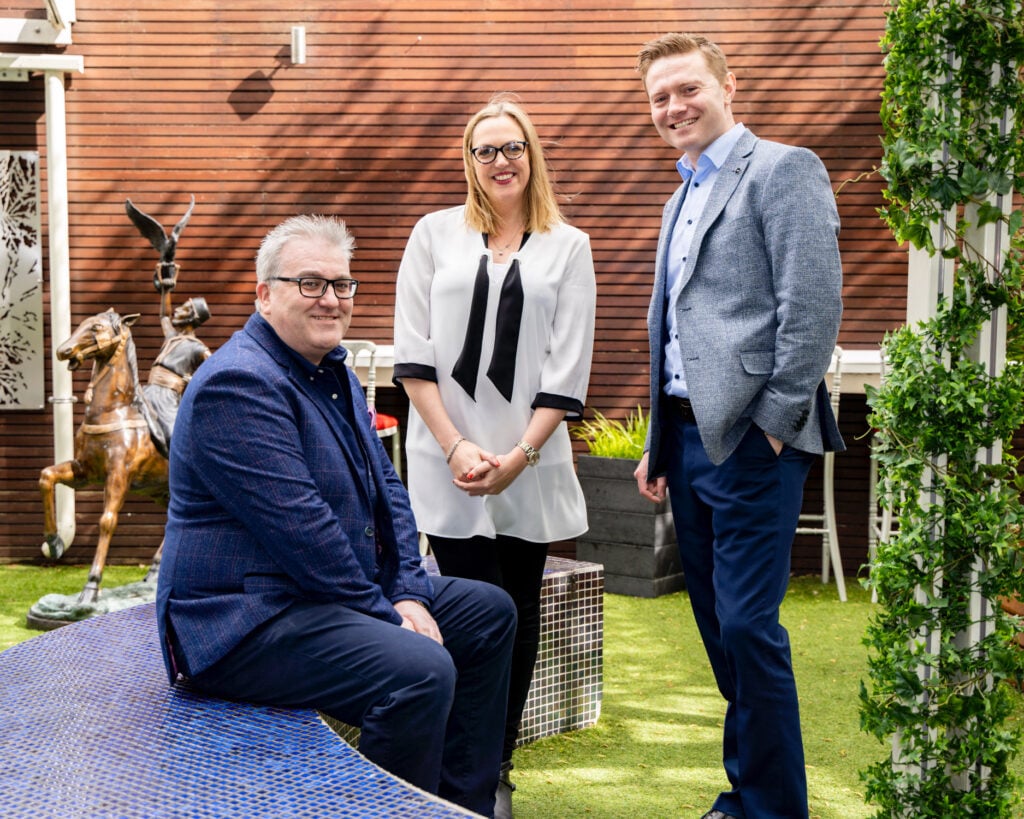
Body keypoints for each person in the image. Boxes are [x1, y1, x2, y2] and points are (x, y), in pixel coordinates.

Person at [155, 214, 517, 818]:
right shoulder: (238, 384)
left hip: (308, 595)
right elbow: (303, 531)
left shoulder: (331, 372)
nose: (331, 299)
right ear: (264, 294)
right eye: (311, 284)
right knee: (418, 669)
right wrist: (388, 612)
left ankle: (461, 806)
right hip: (240, 621)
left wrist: (408, 592)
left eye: (342, 285)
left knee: (486, 612)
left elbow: (389, 495)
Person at [631, 34, 844, 819]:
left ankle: (773, 809)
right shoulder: (678, 196)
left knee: (750, 627)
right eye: (659, 98)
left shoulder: (784, 170)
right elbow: (670, 327)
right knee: (722, 630)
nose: (674, 108)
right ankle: (748, 793)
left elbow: (813, 306)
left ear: (728, 86)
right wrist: (658, 442)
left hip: (754, 440)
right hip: (686, 442)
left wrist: (778, 426)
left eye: (688, 89)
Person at [393, 94, 596, 818]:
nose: (501, 160)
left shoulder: (568, 245)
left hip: (529, 465)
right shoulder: (433, 235)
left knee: (518, 611)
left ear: (532, 155)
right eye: (486, 150)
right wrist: (457, 446)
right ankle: (457, 764)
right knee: (465, 610)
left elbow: (566, 369)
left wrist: (517, 455)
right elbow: (412, 358)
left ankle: (496, 766)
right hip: (447, 457)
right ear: (469, 162)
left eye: (513, 147)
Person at [143, 296, 212, 458]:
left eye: (184, 308)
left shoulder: (197, 348)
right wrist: (166, 291)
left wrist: (194, 381)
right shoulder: (171, 337)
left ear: (192, 317)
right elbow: (164, 316)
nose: (177, 310)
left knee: (173, 437)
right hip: (147, 391)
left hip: (167, 399)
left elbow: (214, 372)